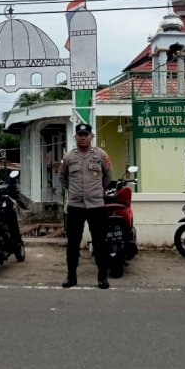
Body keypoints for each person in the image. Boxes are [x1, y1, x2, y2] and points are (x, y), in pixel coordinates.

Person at [59, 123, 113, 289]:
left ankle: (102, 277)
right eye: (80, 134)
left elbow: (108, 177)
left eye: (86, 134)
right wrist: (76, 192)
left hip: (96, 206)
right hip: (75, 206)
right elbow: (63, 179)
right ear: (75, 137)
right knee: (73, 243)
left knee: (100, 242)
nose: (83, 137)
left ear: (91, 136)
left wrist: (95, 192)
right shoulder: (68, 157)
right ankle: (71, 277)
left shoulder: (101, 155)